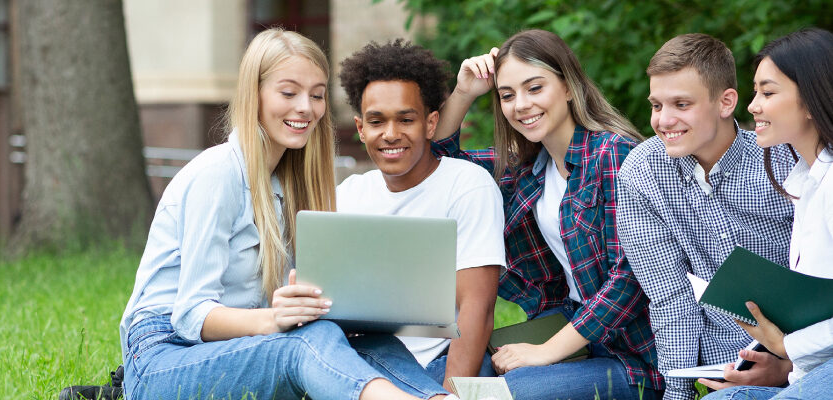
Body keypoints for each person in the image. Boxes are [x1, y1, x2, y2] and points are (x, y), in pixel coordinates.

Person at [118, 28, 451, 400]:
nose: (306, 108)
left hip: (237, 347)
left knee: (370, 340)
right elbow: (192, 316)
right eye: (288, 92)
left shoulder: (290, 183)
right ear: (254, 95)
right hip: (162, 357)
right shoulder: (218, 175)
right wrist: (275, 321)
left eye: (317, 95)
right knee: (310, 340)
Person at [431, 29, 662, 400]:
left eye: (534, 88)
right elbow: (441, 161)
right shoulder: (527, 167)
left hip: (630, 357)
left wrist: (545, 352)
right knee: (444, 377)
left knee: (492, 394)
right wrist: (464, 92)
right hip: (564, 326)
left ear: (568, 87)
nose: (520, 104)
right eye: (507, 95)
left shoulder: (613, 155)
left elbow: (629, 280)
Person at [615, 33, 796, 400]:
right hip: (722, 368)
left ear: (726, 102)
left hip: (808, 353)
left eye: (681, 104)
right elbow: (669, 297)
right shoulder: (642, 171)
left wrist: (790, 363)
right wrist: (679, 394)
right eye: (656, 105)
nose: (664, 120)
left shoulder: (784, 159)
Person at [336, 40, 507, 392]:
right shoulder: (348, 194)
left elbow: (477, 307)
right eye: (376, 121)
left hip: (434, 364)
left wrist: (451, 392)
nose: (391, 134)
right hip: (359, 358)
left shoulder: (467, 184)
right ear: (360, 128)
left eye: (406, 119)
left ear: (430, 124)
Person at [700, 28, 833, 400]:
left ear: (812, 99)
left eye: (768, 93)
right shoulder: (806, 183)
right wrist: (782, 365)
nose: (753, 105)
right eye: (756, 91)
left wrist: (788, 347)